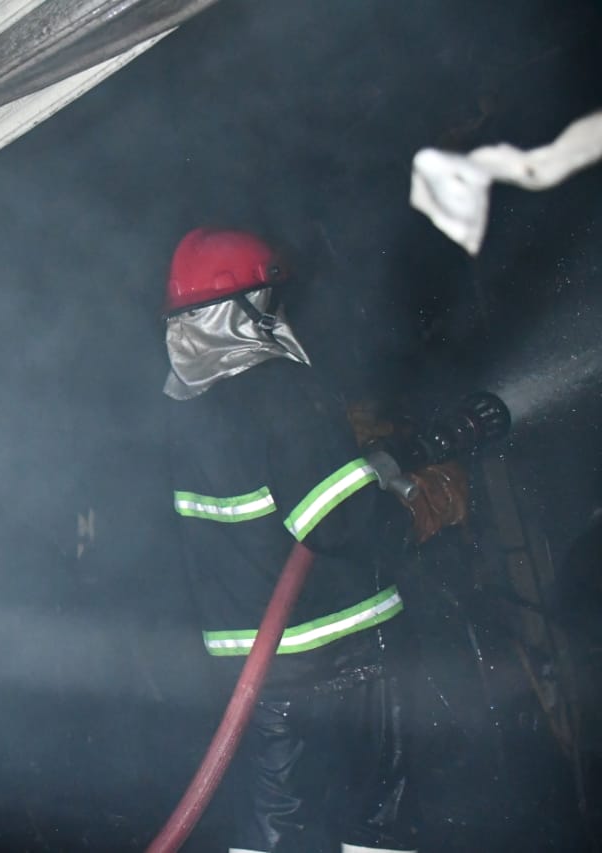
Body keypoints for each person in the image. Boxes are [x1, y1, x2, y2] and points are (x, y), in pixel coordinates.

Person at [160, 227, 467, 853]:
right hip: (348, 658)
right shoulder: (279, 392)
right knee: (375, 833)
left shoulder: (190, 411)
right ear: (249, 311)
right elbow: (338, 524)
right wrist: (419, 505)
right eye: (275, 302)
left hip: (257, 677)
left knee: (276, 838)